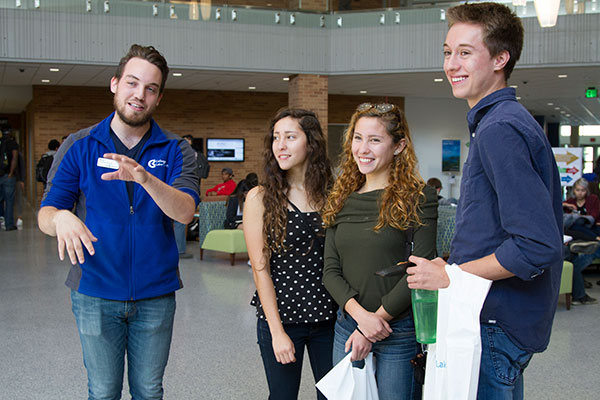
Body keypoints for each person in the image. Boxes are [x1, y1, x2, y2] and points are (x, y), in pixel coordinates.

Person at [406, 3, 563, 399]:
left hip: (492, 322)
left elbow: (535, 245)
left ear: (500, 58)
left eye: (465, 52)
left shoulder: (500, 128)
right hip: (493, 318)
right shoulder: (500, 122)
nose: (451, 64)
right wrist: (454, 262)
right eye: (447, 51)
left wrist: (452, 277)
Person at [37, 44, 200, 400]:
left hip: (156, 294)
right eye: (132, 83)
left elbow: (185, 211)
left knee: (148, 391)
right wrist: (61, 218)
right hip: (94, 292)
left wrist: (145, 179)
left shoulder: (176, 149)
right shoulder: (79, 146)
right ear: (114, 84)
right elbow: (46, 212)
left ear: (158, 98)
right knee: (103, 391)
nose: (139, 95)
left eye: (151, 88)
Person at [322, 102, 437, 400]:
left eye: (375, 140)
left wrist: (374, 324)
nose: (363, 148)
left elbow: (419, 272)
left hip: (398, 330)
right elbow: (330, 271)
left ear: (399, 146)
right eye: (357, 138)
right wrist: (360, 320)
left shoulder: (419, 197)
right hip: (348, 325)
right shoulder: (341, 198)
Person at [243, 108, 337, 400]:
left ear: (311, 143)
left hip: (331, 319)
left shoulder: (333, 194)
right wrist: (277, 332)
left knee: (334, 395)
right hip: (282, 319)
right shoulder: (260, 197)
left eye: (290, 137)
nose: (280, 145)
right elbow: (261, 269)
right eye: (276, 138)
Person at [0, 126, 19, 231]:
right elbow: (15, 158)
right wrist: (11, 173)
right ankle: (9, 225)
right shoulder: (12, 144)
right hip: (8, 176)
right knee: (9, 201)